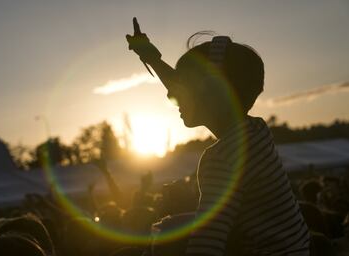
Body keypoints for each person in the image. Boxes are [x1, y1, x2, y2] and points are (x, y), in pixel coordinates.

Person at [126, 17, 310, 255]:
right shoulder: (256, 131)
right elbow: (189, 88)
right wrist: (152, 58)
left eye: (184, 86)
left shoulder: (223, 158)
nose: (171, 96)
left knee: (163, 235)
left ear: (213, 90)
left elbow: (207, 245)